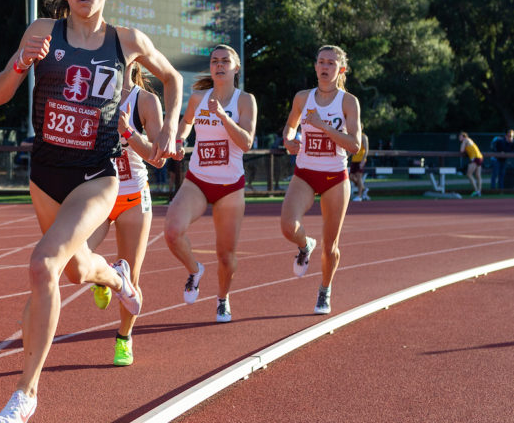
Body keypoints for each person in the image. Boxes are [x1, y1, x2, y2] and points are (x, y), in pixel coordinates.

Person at [0, 0, 182, 423]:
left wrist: (170, 130)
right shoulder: (41, 33)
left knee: (43, 266)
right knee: (75, 271)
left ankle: (26, 395)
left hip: (97, 176)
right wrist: (19, 63)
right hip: (46, 173)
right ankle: (118, 278)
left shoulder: (127, 41)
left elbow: (173, 77)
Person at [164, 44, 258, 324]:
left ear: (235, 67)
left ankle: (222, 299)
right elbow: (186, 123)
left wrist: (222, 116)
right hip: (198, 180)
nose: (219, 65)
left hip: (230, 186)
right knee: (172, 231)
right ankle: (194, 270)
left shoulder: (244, 101)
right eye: (214, 61)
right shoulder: (197, 98)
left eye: (225, 61)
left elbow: (247, 142)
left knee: (226, 256)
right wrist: (179, 140)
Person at [86, 61, 166, 367]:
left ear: (135, 61)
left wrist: (128, 131)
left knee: (132, 278)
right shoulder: (92, 94)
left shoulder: (145, 101)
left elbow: (157, 158)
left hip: (133, 195)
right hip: (98, 192)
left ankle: (123, 338)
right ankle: (105, 277)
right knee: (75, 255)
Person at [280, 45, 361, 315]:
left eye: (331, 63)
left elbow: (355, 145)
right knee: (287, 226)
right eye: (321, 62)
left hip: (335, 177)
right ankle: (304, 245)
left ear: (341, 70)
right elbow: (290, 126)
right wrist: (289, 140)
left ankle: (325, 289)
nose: (325, 67)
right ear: (315, 67)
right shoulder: (303, 98)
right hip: (305, 173)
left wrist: (324, 126)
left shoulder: (348, 102)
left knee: (331, 246)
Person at [458, 132, 483, 197]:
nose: (459, 138)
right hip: (480, 157)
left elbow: (461, 150)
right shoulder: (470, 140)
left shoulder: (465, 140)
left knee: (469, 174)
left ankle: (476, 190)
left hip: (474, 158)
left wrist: (463, 146)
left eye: (460, 136)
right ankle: (479, 191)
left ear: (463, 136)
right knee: (478, 175)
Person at [350, 127, 369, 201]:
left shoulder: (363, 136)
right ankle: (363, 189)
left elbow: (366, 149)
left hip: (360, 159)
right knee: (351, 177)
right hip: (354, 159)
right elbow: (351, 149)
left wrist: (363, 160)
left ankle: (359, 196)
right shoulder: (354, 136)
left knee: (359, 177)